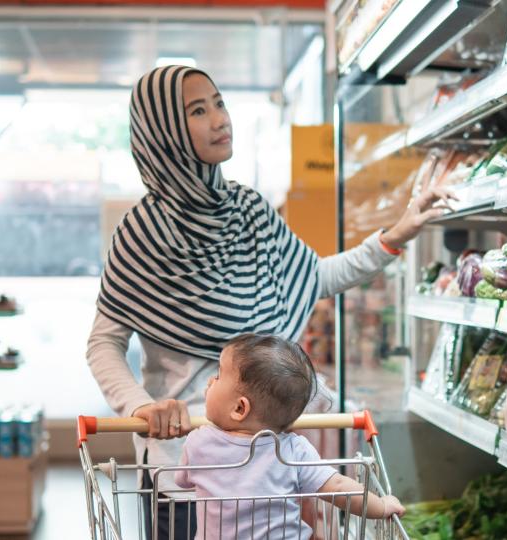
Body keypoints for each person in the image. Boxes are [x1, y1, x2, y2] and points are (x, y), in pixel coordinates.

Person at [86, 64, 451, 538]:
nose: (220, 119)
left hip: (270, 462)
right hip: (186, 470)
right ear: (163, 132)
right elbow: (103, 343)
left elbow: (311, 276)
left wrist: (395, 236)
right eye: (198, 110)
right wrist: (139, 405)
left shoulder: (251, 211)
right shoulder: (141, 236)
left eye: (219, 102)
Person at [173, 334, 404, 539]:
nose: (210, 381)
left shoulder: (199, 442)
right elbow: (339, 486)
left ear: (239, 409)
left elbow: (182, 481)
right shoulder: (294, 449)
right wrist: (381, 507)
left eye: (218, 376)